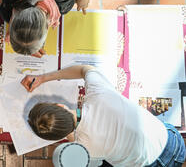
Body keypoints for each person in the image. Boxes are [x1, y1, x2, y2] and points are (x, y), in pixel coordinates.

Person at [21, 65, 186, 167]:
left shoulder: (84, 149)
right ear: (60, 106)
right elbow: (84, 69)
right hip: (174, 142)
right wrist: (43, 78)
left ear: (59, 137)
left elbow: (75, 140)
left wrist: (66, 132)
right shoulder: (98, 93)